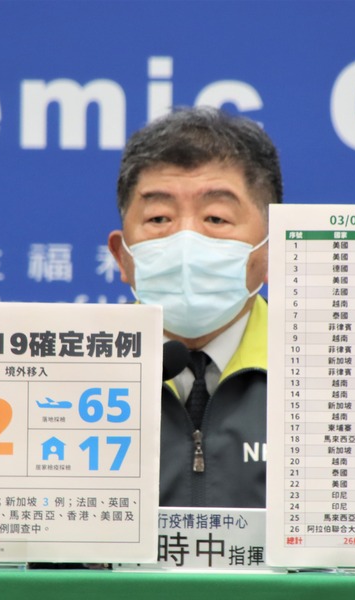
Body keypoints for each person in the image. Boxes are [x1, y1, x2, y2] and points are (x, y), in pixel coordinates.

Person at [107, 106, 282, 508]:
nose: (186, 240)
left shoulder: (324, 375)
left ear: (272, 252)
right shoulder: (69, 377)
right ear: (122, 256)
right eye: (159, 218)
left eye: (216, 218)